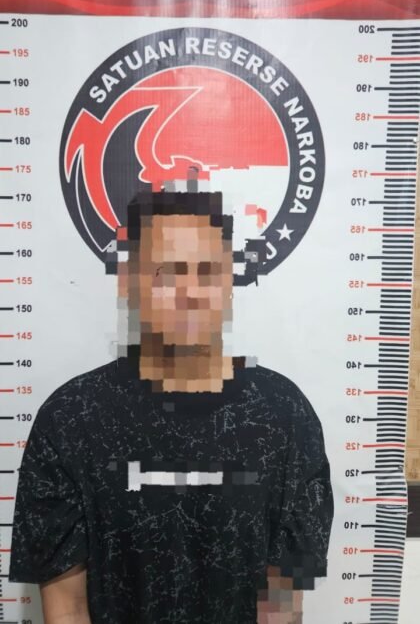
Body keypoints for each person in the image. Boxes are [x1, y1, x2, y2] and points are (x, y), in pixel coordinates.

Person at [8, 183, 334, 624]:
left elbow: (282, 606)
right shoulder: (69, 419)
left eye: (208, 271)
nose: (191, 292)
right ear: (129, 281)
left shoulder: (286, 416)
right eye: (168, 272)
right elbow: (67, 607)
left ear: (229, 282)